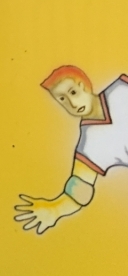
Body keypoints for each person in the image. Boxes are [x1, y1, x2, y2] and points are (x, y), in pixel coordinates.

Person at [14, 66, 128, 234]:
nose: (73, 104)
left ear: (84, 85)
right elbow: (80, 191)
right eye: (62, 99)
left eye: (73, 92)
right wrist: (55, 210)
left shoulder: (122, 89)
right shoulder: (89, 145)